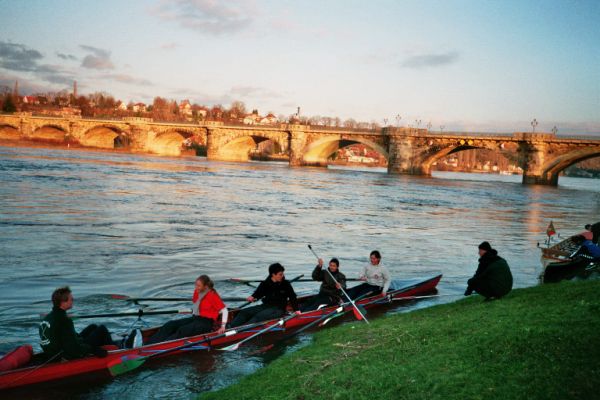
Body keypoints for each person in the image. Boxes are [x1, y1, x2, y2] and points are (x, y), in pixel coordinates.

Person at [146, 275, 228, 344]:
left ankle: (162, 345)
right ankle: (148, 343)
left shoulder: (212, 295)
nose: (196, 287)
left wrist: (223, 326)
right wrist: (192, 311)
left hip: (206, 323)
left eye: (198, 286)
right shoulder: (197, 292)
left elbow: (224, 310)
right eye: (196, 285)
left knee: (183, 330)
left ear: (205, 286)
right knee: (170, 324)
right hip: (196, 318)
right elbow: (197, 307)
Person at [39, 286, 114, 360]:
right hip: (65, 355)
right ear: (63, 302)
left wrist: (80, 340)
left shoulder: (47, 318)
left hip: (56, 351)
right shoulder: (64, 320)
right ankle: (114, 353)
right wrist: (94, 350)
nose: (73, 300)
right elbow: (74, 349)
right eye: (71, 299)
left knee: (93, 327)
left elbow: (63, 338)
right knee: (102, 329)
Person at [230, 263, 299, 327]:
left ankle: (239, 331)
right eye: (280, 274)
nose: (282, 276)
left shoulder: (286, 284)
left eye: (282, 274)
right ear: (273, 274)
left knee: (258, 317)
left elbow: (292, 297)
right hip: (266, 306)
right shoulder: (265, 283)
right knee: (244, 312)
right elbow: (258, 293)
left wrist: (296, 309)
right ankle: (229, 327)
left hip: (279, 309)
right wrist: (253, 297)